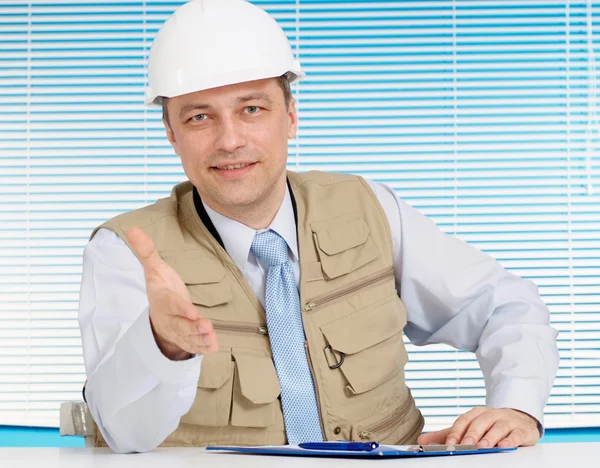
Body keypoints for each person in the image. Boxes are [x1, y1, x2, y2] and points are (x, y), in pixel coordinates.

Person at [78, 0, 559, 454]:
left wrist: (516, 404)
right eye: (200, 117)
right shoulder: (125, 252)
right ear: (171, 135)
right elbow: (124, 434)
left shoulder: (369, 207)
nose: (229, 140)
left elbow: (505, 305)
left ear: (290, 117)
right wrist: (162, 346)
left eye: (252, 109)